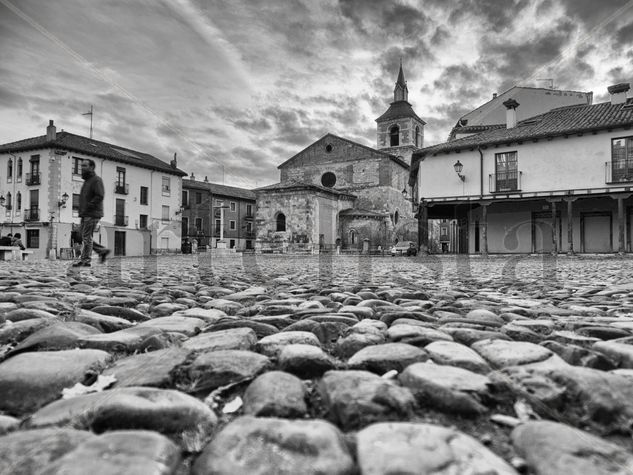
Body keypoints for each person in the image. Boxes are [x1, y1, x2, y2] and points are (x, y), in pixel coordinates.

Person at [72, 159, 110, 267]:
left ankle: (85, 260)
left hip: (92, 213)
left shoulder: (96, 180)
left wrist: (89, 206)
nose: (82, 167)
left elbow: (100, 195)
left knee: (86, 237)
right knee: (81, 236)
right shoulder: (87, 181)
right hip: (85, 213)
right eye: (82, 165)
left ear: (92, 167)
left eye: (85, 165)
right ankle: (101, 251)